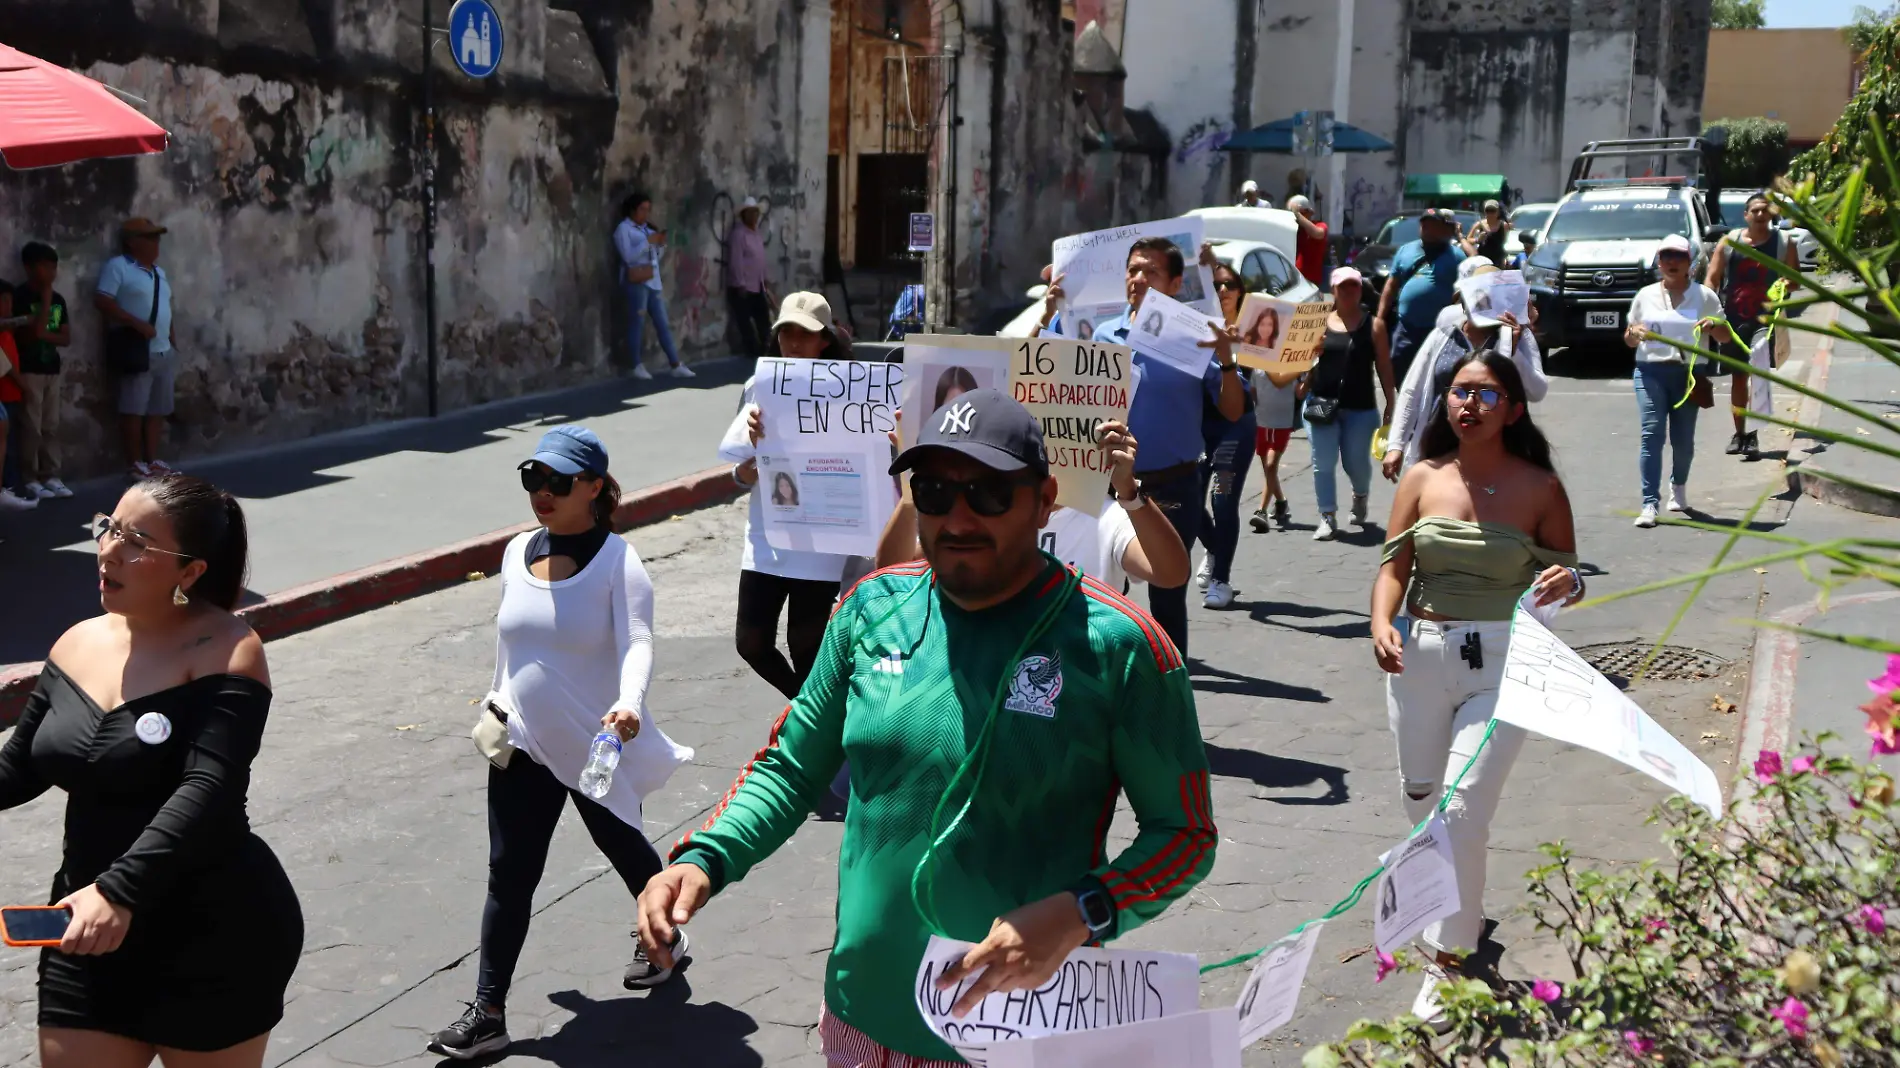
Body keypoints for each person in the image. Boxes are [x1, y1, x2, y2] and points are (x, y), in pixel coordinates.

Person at [636, 387, 1216, 1066]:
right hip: (858, 1022)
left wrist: (1084, 909)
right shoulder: (868, 609)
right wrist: (707, 858)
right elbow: (791, 769)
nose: (958, 516)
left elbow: (1186, 836)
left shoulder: (1121, 647)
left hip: (1015, 1038)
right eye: (935, 491)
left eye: (989, 493)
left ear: (1045, 498)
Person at [0, 474, 303, 1067]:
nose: (109, 549)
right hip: (87, 927)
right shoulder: (77, 642)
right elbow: (18, 768)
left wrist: (120, 891)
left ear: (189, 572)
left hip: (209, 935)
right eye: (108, 528)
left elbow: (208, 788)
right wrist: (103, 898)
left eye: (137, 542)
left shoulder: (226, 649)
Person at [429, 426, 692, 1060]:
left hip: (591, 741)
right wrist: (499, 706)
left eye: (558, 483)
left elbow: (638, 643)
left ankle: (665, 936)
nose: (542, 494)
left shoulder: (617, 561)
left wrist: (628, 704)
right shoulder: (515, 550)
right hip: (523, 743)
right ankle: (488, 1012)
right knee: (508, 877)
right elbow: (515, 647)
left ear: (594, 487)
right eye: (532, 480)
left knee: (618, 839)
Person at [1370, 348, 1582, 1030]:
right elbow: (1393, 567)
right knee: (1422, 803)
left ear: (1514, 409)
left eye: (1487, 395)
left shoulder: (1540, 487)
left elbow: (1568, 577)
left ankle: (1449, 965)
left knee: (1460, 813)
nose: (1471, 404)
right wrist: (1381, 621)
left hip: (1505, 660)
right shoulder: (1420, 477)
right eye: (1461, 392)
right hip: (1423, 656)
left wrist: (1570, 584)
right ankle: (1459, 901)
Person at [1033, 237, 1245, 656]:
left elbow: (1233, 410)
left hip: (1174, 488)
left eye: (1150, 271)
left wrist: (1226, 358)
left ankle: (1170, 680)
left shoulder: (1197, 335)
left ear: (1175, 283)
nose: (1138, 279)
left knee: (1167, 593)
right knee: (1109, 588)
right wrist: (1050, 311)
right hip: (1107, 485)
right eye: (1133, 270)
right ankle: (1114, 668)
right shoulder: (1103, 333)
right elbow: (1043, 370)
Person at [874, 414, 1190, 593]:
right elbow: (891, 574)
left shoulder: (1105, 518)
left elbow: (1171, 573)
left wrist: (1129, 493)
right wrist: (917, 484)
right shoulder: (984, 507)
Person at [718, 292, 852, 701]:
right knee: (751, 641)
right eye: (785, 333)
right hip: (767, 536)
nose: (792, 343)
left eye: (804, 334)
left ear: (823, 340)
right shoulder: (758, 386)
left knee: (806, 646)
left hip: (821, 541)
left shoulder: (848, 391)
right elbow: (739, 470)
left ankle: (815, 736)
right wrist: (749, 468)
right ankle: (811, 716)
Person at [1384, 263, 1547, 477]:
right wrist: (1396, 445)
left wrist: (1514, 351)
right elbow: (1411, 391)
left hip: (1492, 449)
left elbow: (1537, 391)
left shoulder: (1516, 336)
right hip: (1438, 446)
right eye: (1474, 297)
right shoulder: (1442, 336)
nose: (1479, 303)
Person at [1624, 233, 1731, 528]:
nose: (1672, 262)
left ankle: (1679, 488)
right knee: (1652, 433)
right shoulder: (1644, 295)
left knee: (1683, 442)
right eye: (1666, 256)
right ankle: (1649, 503)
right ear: (1658, 262)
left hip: (1689, 375)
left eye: (1678, 257)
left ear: (1689, 262)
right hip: (1650, 371)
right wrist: (1635, 334)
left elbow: (1725, 335)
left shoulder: (1704, 296)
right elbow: (1629, 338)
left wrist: (1713, 326)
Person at [1704, 192, 1799, 461]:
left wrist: (1783, 283)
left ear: (1772, 214)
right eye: (1754, 211)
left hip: (1765, 322)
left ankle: (1753, 435)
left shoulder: (1783, 243)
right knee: (1738, 378)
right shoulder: (1729, 242)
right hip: (1733, 321)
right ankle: (1740, 433)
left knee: (1757, 373)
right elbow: (1712, 278)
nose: (1760, 215)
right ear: (1746, 215)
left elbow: (1795, 280)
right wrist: (1711, 309)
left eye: (1764, 210)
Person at [1307, 266, 1396, 541]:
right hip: (1321, 403)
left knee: (1356, 463)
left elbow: (1383, 365)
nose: (1348, 291)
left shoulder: (1374, 325)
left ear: (1360, 289)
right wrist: (1310, 356)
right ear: (1332, 291)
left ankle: (1360, 495)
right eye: (1342, 287)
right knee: (1323, 462)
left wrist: (1391, 403)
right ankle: (1327, 516)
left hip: (1360, 407)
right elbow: (1301, 361)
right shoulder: (1317, 322)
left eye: (1353, 286)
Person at [95, 218, 179, 479]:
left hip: (162, 350)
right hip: (137, 349)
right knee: (133, 407)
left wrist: (173, 339)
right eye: (150, 238)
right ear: (132, 242)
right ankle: (134, 463)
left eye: (157, 238)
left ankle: (152, 460)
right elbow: (102, 300)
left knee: (158, 408)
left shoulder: (159, 273)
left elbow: (166, 307)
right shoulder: (118, 267)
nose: (156, 244)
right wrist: (136, 324)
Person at [1196, 262, 1257, 608]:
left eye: (1229, 284)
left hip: (1234, 427)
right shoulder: (1192, 322)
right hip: (1196, 425)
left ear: (1240, 290)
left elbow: (1278, 374)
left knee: (1222, 499)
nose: (1222, 290)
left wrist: (1306, 357)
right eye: (1216, 285)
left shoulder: (1253, 328)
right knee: (1190, 500)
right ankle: (1215, 548)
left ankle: (1221, 580)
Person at [1376, 208, 1467, 382]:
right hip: (1406, 328)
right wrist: (1380, 317)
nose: (1426, 227)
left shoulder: (1456, 256)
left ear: (1442, 228)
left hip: (1439, 329)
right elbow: (1391, 285)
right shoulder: (1405, 250)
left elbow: (1467, 287)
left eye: (1432, 224)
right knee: (1399, 367)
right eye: (1424, 223)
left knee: (1435, 375)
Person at [14, 243, 73, 500]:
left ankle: (51, 474)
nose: (51, 272)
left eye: (54, 266)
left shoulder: (59, 299)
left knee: (51, 424)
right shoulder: (20, 298)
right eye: (45, 266)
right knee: (31, 426)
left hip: (51, 369)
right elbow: (29, 335)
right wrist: (45, 300)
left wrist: (45, 331)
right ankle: (30, 477)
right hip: (29, 370)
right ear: (29, 268)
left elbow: (65, 337)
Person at [614, 193, 693, 381]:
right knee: (637, 323)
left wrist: (660, 245)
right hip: (636, 282)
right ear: (632, 209)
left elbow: (655, 257)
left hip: (653, 281)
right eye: (642, 209)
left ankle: (675, 364)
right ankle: (635, 365)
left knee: (662, 324)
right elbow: (628, 256)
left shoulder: (648, 230)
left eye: (648, 209)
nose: (645, 213)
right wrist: (647, 242)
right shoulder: (623, 229)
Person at [725, 196, 776, 358]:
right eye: (751, 213)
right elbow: (736, 260)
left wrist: (765, 278)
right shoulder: (739, 235)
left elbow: (760, 258)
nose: (755, 216)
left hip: (757, 284)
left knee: (763, 318)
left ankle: (767, 348)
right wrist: (740, 284)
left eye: (756, 213)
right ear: (744, 215)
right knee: (745, 322)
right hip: (743, 286)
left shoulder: (756, 234)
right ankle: (753, 351)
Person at [1287, 194, 1330, 287]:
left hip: (1312, 280)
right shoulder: (1292, 230)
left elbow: (1318, 233)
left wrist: (1297, 215)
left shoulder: (1320, 225)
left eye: (1301, 213)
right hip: (1293, 279)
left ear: (1309, 213)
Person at [1462, 200, 1511, 267]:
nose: (1490, 214)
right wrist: (1478, 240)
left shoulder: (1504, 225)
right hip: (1482, 259)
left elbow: (1504, 242)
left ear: (1498, 212)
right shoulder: (1479, 224)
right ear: (1485, 212)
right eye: (1488, 211)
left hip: (1498, 260)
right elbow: (1468, 239)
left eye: (1493, 211)